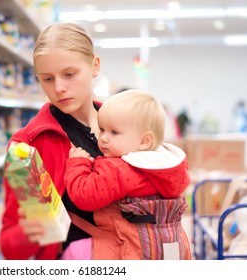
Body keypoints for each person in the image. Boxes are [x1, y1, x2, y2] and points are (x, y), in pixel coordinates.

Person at [0, 22, 103, 260]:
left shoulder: (125, 125)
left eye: (69, 74)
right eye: (47, 79)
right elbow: (10, 247)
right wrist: (27, 234)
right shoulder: (24, 147)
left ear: (94, 66)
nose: (59, 88)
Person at [63, 89, 192, 260]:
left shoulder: (119, 169)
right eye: (102, 129)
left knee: (74, 252)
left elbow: (84, 196)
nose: (103, 138)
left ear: (145, 141)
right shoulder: (169, 166)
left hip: (129, 251)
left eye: (114, 132)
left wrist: (78, 163)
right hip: (172, 247)